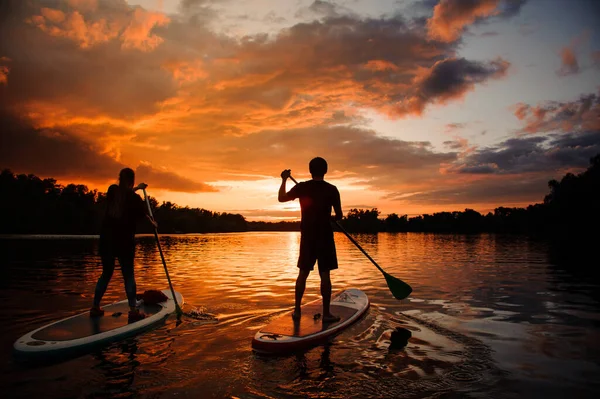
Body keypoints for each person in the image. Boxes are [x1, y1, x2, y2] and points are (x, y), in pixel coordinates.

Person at [278, 157, 343, 323]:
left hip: (308, 236)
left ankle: (297, 311)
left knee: (303, 273)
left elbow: (281, 198)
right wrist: (332, 218)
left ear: (310, 170)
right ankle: (327, 314)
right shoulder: (332, 189)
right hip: (325, 236)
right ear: (325, 171)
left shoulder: (303, 187)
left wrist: (284, 180)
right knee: (325, 274)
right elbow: (340, 215)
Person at [90, 168, 157, 322]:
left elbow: (124, 195)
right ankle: (133, 310)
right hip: (124, 242)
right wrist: (152, 222)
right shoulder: (134, 199)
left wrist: (137, 189)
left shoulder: (113, 191)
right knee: (128, 275)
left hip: (107, 241)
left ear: (119, 179)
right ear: (132, 180)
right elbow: (143, 214)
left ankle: (95, 307)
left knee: (106, 273)